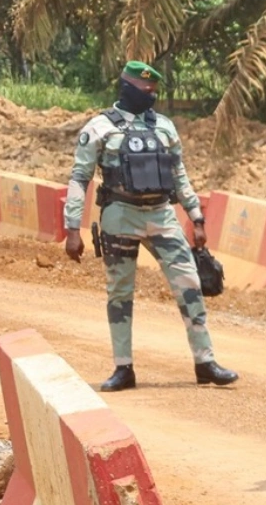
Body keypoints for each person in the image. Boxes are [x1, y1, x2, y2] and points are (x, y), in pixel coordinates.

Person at [61, 59, 238, 392]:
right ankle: (123, 368)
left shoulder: (165, 127)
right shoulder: (98, 128)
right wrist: (73, 229)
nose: (152, 95)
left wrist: (196, 216)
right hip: (120, 215)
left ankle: (205, 362)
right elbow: (79, 177)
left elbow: (179, 175)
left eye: (155, 89)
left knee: (190, 285)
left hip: (161, 215)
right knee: (120, 293)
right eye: (146, 89)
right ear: (128, 88)